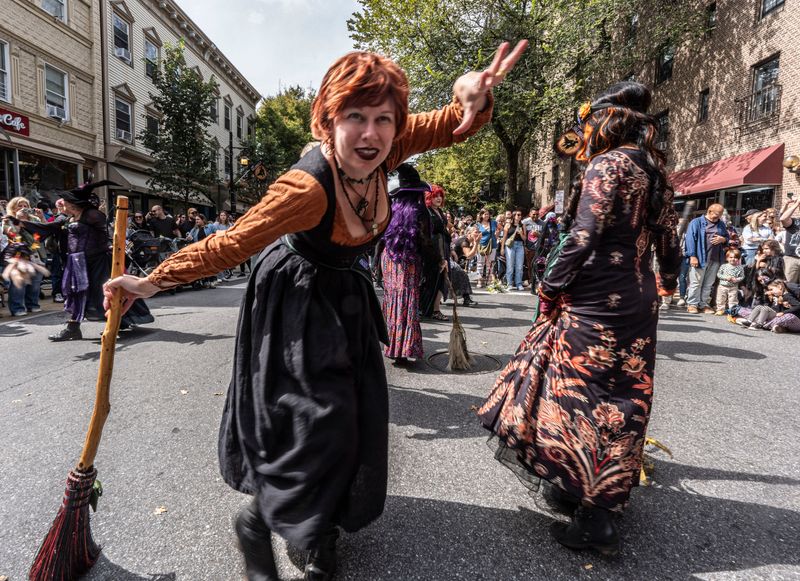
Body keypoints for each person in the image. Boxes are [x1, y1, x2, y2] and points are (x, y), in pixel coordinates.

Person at [103, 43, 527, 581]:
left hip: (345, 295)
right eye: (355, 118)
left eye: (383, 119)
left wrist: (473, 98)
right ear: (328, 121)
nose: (371, 134)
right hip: (295, 298)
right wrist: (148, 282)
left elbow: (451, 124)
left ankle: (319, 532)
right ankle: (259, 521)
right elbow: (230, 243)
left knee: (351, 414)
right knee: (314, 419)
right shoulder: (304, 187)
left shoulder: (389, 148)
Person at [478, 81, 680, 556]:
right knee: (626, 394)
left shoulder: (607, 164)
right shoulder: (655, 169)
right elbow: (669, 239)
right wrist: (666, 281)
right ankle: (591, 499)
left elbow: (582, 235)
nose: (584, 132)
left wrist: (549, 285)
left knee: (579, 392)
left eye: (587, 123)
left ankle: (588, 507)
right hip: (637, 298)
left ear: (606, 121)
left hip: (595, 298)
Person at [22, 182, 154, 340]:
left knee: (104, 294)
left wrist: (115, 246)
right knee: (75, 293)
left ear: (73, 203)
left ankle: (116, 322)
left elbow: (112, 234)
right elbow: (49, 228)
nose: (62, 202)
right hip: (77, 263)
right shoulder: (68, 217)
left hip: (97, 261)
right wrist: (22, 223)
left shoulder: (93, 215)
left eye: (65, 200)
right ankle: (73, 328)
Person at [380, 163, 434, 362]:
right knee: (407, 302)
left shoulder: (389, 208)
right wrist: (438, 262)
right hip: (409, 261)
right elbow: (425, 242)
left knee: (393, 300)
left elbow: (379, 237)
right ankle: (406, 348)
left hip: (390, 259)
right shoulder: (421, 213)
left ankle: (393, 346)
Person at [685, 203, 728, 313]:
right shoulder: (696, 222)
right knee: (696, 282)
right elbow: (690, 239)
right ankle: (692, 304)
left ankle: (703, 304)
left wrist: (723, 239)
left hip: (715, 258)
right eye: (717, 215)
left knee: (708, 283)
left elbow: (727, 237)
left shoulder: (721, 224)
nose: (718, 217)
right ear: (709, 212)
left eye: (720, 215)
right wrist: (692, 256)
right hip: (700, 257)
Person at [420, 184, 451, 320]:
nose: (438, 198)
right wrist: (439, 256)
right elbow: (427, 235)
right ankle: (428, 309)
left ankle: (435, 309)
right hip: (433, 250)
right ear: (429, 197)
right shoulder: (427, 212)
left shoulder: (439, 212)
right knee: (432, 279)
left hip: (443, 247)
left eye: (440, 196)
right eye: (435, 195)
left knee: (441, 280)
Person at [500, 209, 526, 290]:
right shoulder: (508, 225)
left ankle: (518, 283)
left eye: (520, 215)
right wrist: (502, 248)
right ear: (513, 216)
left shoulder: (523, 225)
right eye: (517, 214)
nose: (519, 216)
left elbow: (525, 239)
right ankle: (509, 283)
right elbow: (504, 237)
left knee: (519, 266)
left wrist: (521, 233)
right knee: (510, 265)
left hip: (520, 246)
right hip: (510, 246)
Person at [714, 248, 744, 315]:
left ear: (739, 259)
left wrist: (737, 279)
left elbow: (742, 276)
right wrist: (725, 277)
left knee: (733, 299)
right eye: (731, 257)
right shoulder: (724, 266)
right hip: (723, 285)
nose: (733, 259)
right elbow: (719, 274)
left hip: (733, 286)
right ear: (727, 258)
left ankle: (732, 311)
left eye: (735, 257)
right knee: (720, 298)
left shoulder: (740, 267)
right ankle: (720, 309)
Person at [779, 196, 800, 284]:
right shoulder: (794, 221)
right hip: (791, 258)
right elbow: (783, 218)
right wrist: (796, 203)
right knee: (789, 285)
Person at [475, 208, 497, 288]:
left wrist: (496, 235)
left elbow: (501, 228)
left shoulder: (493, 222)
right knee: (480, 263)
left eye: (488, 214)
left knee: (490, 264)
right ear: (481, 215)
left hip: (493, 245)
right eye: (485, 214)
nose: (487, 215)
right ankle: (479, 280)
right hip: (481, 245)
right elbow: (475, 235)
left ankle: (489, 280)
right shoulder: (477, 224)